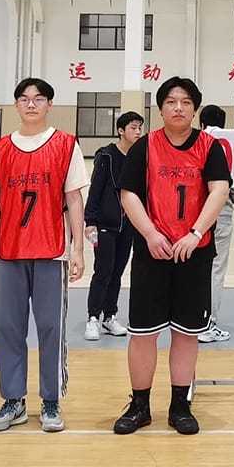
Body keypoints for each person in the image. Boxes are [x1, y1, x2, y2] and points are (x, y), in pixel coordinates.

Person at [113, 77, 231, 435]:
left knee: (186, 333)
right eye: (170, 101)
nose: (178, 108)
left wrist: (195, 233)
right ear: (160, 108)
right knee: (142, 334)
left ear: (194, 109)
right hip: (152, 253)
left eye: (185, 102)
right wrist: (151, 234)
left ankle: (180, 405)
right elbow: (129, 194)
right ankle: (140, 406)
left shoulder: (210, 147)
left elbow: (219, 190)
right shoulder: (145, 146)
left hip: (194, 254)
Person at [0, 78, 89, 434]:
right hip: (10, 251)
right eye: (24, 99)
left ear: (49, 105)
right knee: (8, 328)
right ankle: (13, 400)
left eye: (38, 99)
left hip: (50, 252)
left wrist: (78, 248)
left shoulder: (65, 144)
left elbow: (74, 199)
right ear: (16, 105)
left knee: (51, 328)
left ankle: (51, 400)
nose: (31, 104)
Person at [84, 111, 144, 340]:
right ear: (121, 130)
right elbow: (95, 189)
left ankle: (109, 316)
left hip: (128, 225)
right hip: (105, 225)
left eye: (139, 128)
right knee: (103, 271)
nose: (137, 132)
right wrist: (90, 222)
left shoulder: (138, 157)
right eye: (133, 128)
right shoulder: (106, 156)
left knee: (117, 272)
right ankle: (93, 318)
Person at [196, 105, 234, 343]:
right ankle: (207, 323)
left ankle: (190, 320)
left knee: (194, 268)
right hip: (220, 215)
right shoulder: (229, 147)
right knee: (215, 269)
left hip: (194, 216)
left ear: (201, 122)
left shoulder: (192, 142)